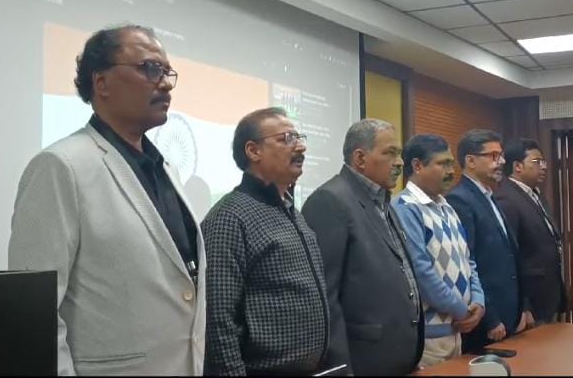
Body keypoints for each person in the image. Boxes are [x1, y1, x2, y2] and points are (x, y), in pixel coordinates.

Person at [8, 25, 205, 375]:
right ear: (101, 83)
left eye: (167, 72)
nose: (166, 83)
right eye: (150, 68)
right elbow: (31, 313)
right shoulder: (61, 166)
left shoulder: (166, 169)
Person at [202, 107, 329, 375]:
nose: (301, 147)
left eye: (299, 138)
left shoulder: (292, 212)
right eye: (287, 139)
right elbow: (217, 318)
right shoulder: (229, 218)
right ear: (253, 151)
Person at [302, 119, 423, 375]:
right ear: (360, 158)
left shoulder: (383, 200)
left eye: (399, 154)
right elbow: (325, 296)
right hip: (363, 361)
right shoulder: (329, 200)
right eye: (390, 153)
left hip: (399, 356)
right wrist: (339, 368)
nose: (400, 162)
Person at [392, 134, 485, 368]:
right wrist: (462, 311)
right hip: (429, 338)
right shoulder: (405, 208)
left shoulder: (447, 208)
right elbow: (421, 272)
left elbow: (468, 260)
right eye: (443, 164)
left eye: (451, 163)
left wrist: (479, 302)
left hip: (457, 331)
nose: (451, 171)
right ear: (417, 166)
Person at [445, 129, 532, 353]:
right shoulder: (460, 199)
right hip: (487, 320)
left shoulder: (488, 195)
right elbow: (469, 262)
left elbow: (509, 257)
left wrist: (522, 307)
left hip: (510, 313)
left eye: (501, 155)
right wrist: (490, 318)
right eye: (493, 156)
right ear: (470, 161)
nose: (501, 161)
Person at [494, 138, 567, 324]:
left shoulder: (536, 195)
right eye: (536, 162)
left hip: (549, 295)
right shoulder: (506, 199)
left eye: (543, 162)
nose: (544, 167)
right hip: (531, 301)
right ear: (518, 166)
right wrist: (524, 305)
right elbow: (509, 257)